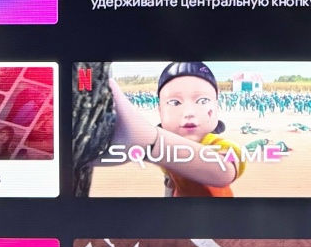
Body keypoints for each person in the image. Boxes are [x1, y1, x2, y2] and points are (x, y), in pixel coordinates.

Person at [106, 62, 247, 197]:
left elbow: (224, 172)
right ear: (160, 111)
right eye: (175, 102)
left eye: (202, 101)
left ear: (216, 107)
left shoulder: (225, 146)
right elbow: (170, 183)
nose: (188, 112)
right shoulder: (168, 151)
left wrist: (150, 142)